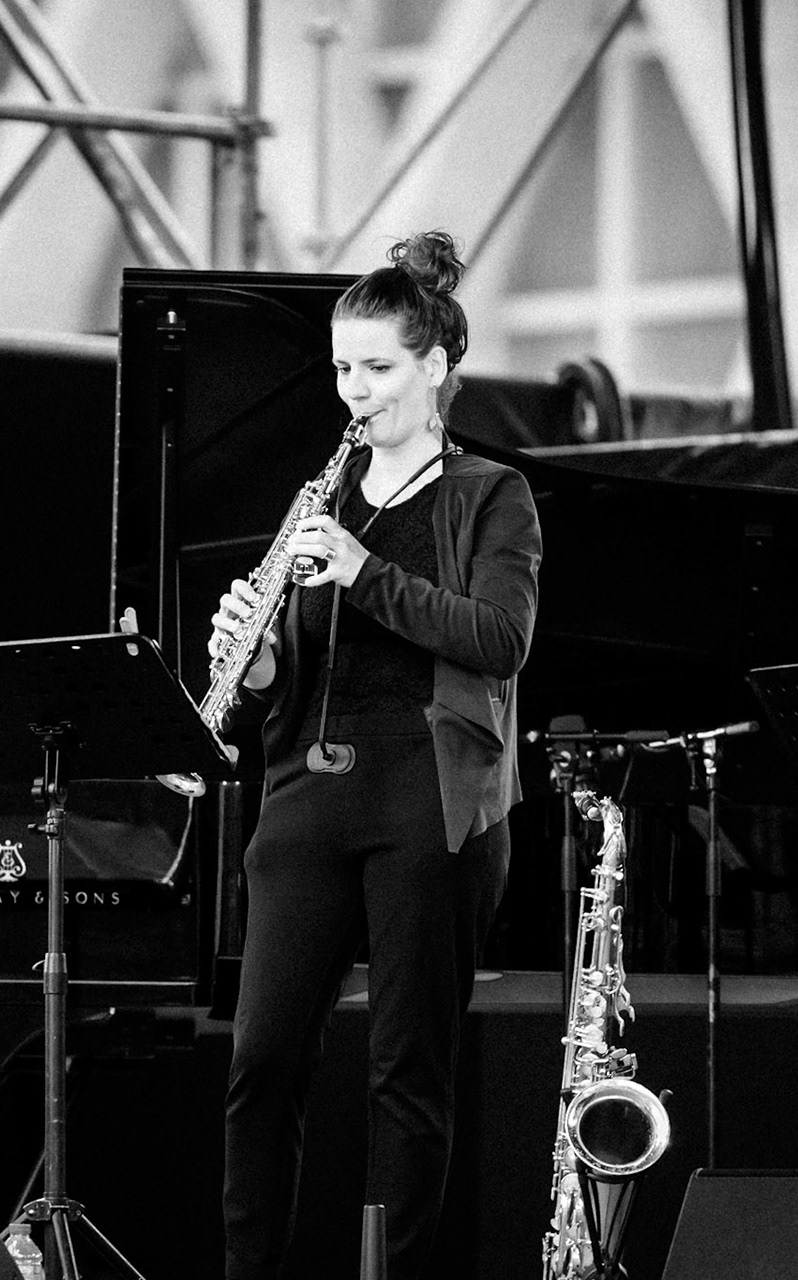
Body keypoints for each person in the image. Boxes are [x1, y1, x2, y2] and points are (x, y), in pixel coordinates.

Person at [215, 231, 541, 1279]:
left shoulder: (491, 495)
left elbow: (500, 638)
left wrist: (360, 571)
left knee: (408, 1073)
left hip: (425, 794)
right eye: (343, 367)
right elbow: (289, 680)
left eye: (378, 368)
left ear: (437, 365)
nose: (353, 390)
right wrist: (254, 662)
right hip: (310, 785)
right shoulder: (321, 499)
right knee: (260, 1061)